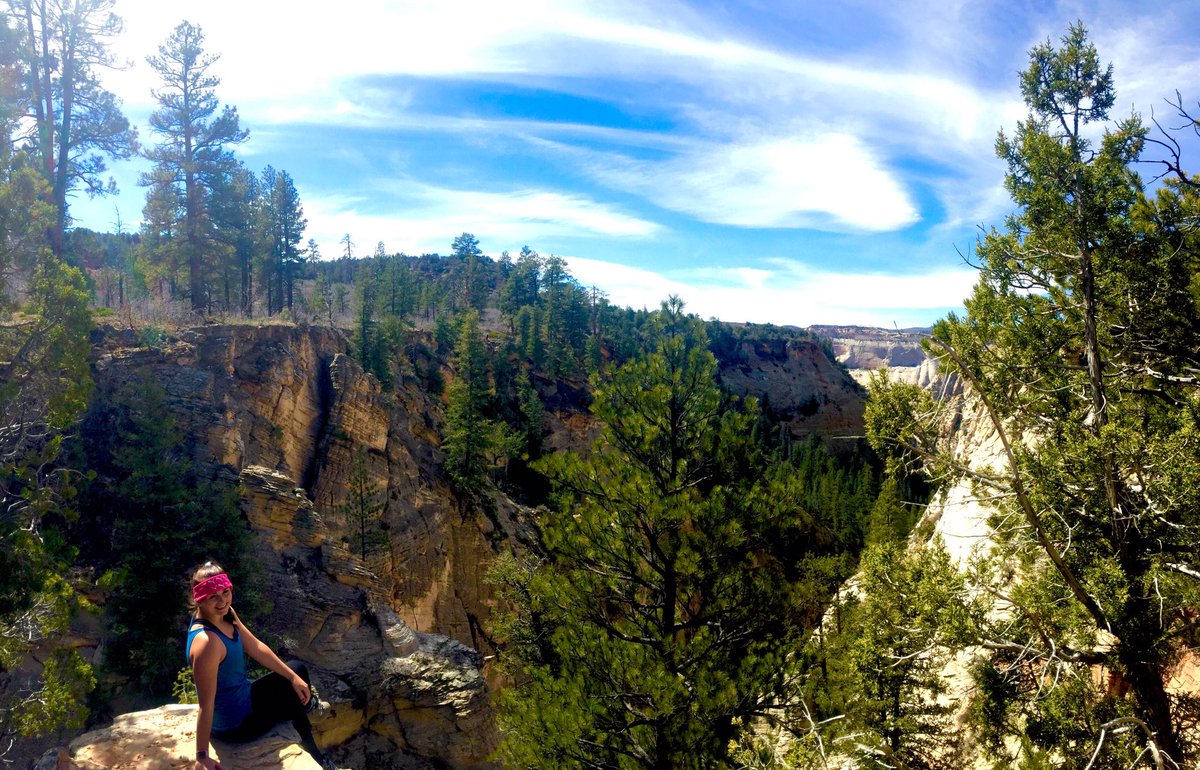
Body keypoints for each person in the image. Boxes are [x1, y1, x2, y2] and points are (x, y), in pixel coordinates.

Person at [186, 562, 335, 770]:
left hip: (243, 699)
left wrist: (292, 677)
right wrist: (202, 756)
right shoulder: (206, 643)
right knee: (292, 698)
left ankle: (309, 709)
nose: (222, 600)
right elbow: (205, 704)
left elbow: (255, 646)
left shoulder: (225, 615)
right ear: (199, 599)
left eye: (226, 592)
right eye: (213, 596)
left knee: (295, 672)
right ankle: (319, 758)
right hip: (235, 725)